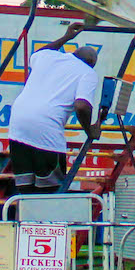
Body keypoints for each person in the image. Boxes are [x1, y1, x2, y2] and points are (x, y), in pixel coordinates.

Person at [6, 21, 101, 194]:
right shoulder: (88, 73)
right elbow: (81, 106)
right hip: (45, 130)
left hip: (18, 126)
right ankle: (47, 220)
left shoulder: (48, 56)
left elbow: (39, 52)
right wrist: (90, 130)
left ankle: (25, 220)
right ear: (92, 62)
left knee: (25, 189)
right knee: (50, 191)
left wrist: (67, 37)